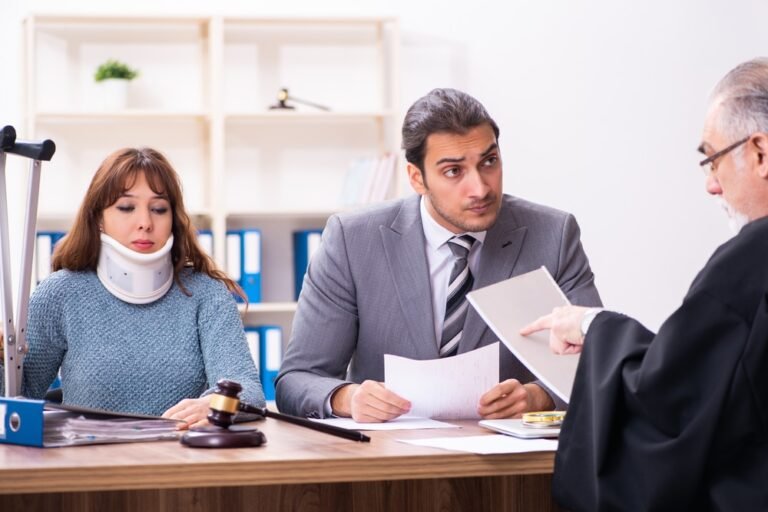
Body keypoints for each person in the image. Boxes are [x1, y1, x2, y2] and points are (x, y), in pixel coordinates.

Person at [520, 58, 768, 510]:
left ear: (759, 152)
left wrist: (594, 328)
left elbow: (671, 401)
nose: (712, 186)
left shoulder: (752, 261)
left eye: (712, 159)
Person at [276, 88, 602, 422]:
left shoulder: (553, 234)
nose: (480, 188)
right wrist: (348, 398)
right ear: (417, 178)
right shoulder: (352, 240)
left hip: (511, 464)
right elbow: (297, 379)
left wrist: (539, 397)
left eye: (489, 162)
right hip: (387, 461)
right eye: (453, 171)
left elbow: (598, 364)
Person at [0, 147, 264, 428]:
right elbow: (18, 395)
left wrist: (212, 405)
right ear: (98, 217)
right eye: (126, 207)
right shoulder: (60, 294)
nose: (145, 223)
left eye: (159, 209)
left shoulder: (206, 295)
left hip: (183, 462)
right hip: (91, 462)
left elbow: (248, 389)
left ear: (173, 218)